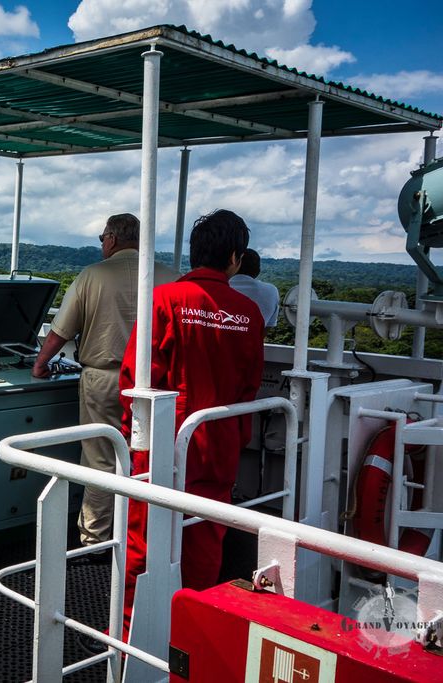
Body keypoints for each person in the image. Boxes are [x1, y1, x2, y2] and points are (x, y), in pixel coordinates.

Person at [119, 209, 264, 635]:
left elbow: (134, 376)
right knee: (204, 547)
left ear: (195, 252)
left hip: (161, 449)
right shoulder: (248, 313)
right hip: (217, 446)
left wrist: (133, 437)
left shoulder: (163, 300)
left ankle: (131, 642)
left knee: (143, 548)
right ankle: (190, 644)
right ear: (235, 258)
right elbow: (248, 385)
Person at [32, 213, 178, 547]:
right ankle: (144, 537)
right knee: (150, 459)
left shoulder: (92, 276)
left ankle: (95, 537)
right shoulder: (171, 277)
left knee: (99, 459)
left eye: (102, 239)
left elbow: (61, 331)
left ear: (110, 238)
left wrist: (40, 364)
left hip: (104, 378)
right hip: (157, 384)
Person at [229, 248, 280, 328]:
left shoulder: (218, 288)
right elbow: (267, 327)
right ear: (258, 271)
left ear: (234, 265)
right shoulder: (271, 291)